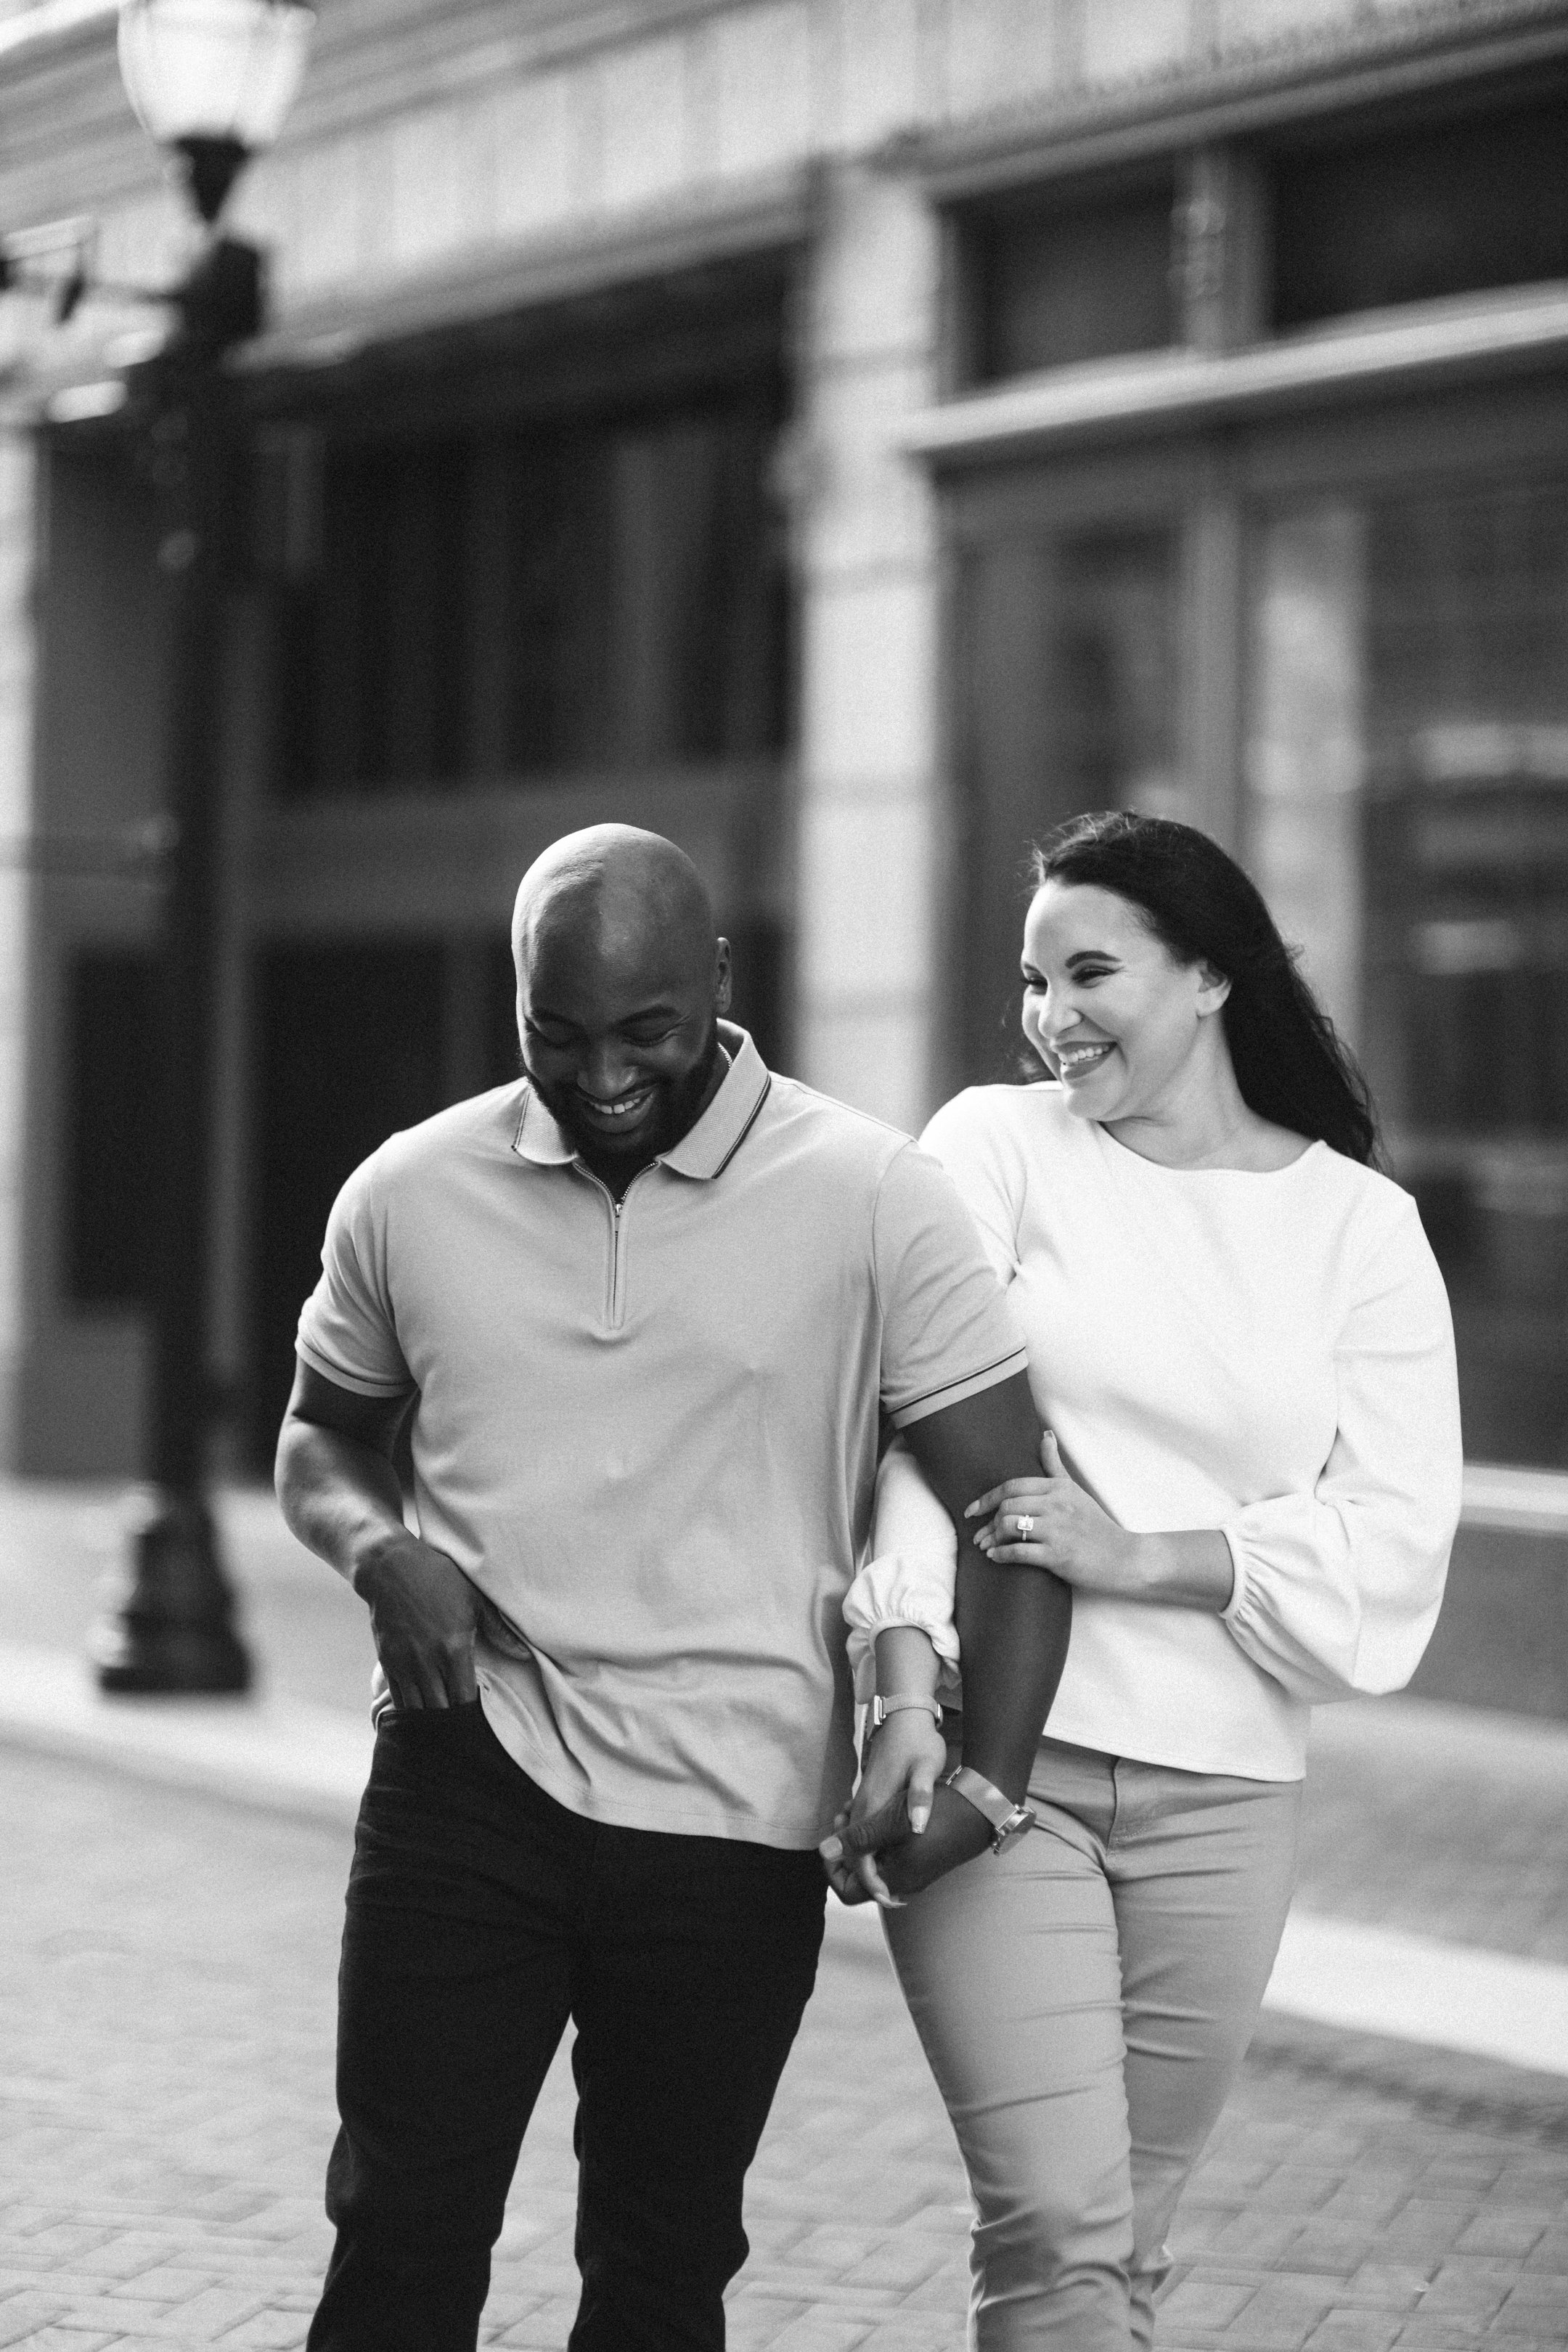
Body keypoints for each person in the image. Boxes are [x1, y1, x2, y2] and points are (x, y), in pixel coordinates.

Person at [275, 822, 1073, 2352]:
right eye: (554, 1035)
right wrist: (383, 1558)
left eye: (646, 1031)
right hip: (465, 1777)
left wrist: (996, 1781)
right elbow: (323, 1436)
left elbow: (1013, 1504)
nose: (603, 1076)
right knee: (398, 2228)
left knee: (658, 2269)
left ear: (719, 978)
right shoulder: (409, 1191)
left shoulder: (872, 1194)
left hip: (733, 1816)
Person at [821, 810, 1462, 2352]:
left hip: (1228, 1793)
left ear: (1211, 978)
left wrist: (1143, 1555)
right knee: (1056, 2217)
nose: (1051, 1019)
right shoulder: (993, 1148)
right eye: (1032, 983)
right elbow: (912, 1433)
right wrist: (899, 1676)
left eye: (1088, 973)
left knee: (1124, 2240)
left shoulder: (1359, 1230)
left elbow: (1393, 1533)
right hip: (1003, 1766)